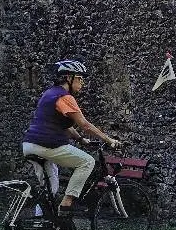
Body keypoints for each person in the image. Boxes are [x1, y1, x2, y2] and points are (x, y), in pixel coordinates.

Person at [22, 60, 121, 219]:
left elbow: (65, 126)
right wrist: (109, 140)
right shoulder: (64, 97)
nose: (82, 83)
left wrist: (81, 140)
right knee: (87, 162)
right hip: (47, 145)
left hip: (29, 145)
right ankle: (67, 203)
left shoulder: (49, 94)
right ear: (68, 78)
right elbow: (85, 125)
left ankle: (42, 228)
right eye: (79, 78)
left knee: (49, 189)